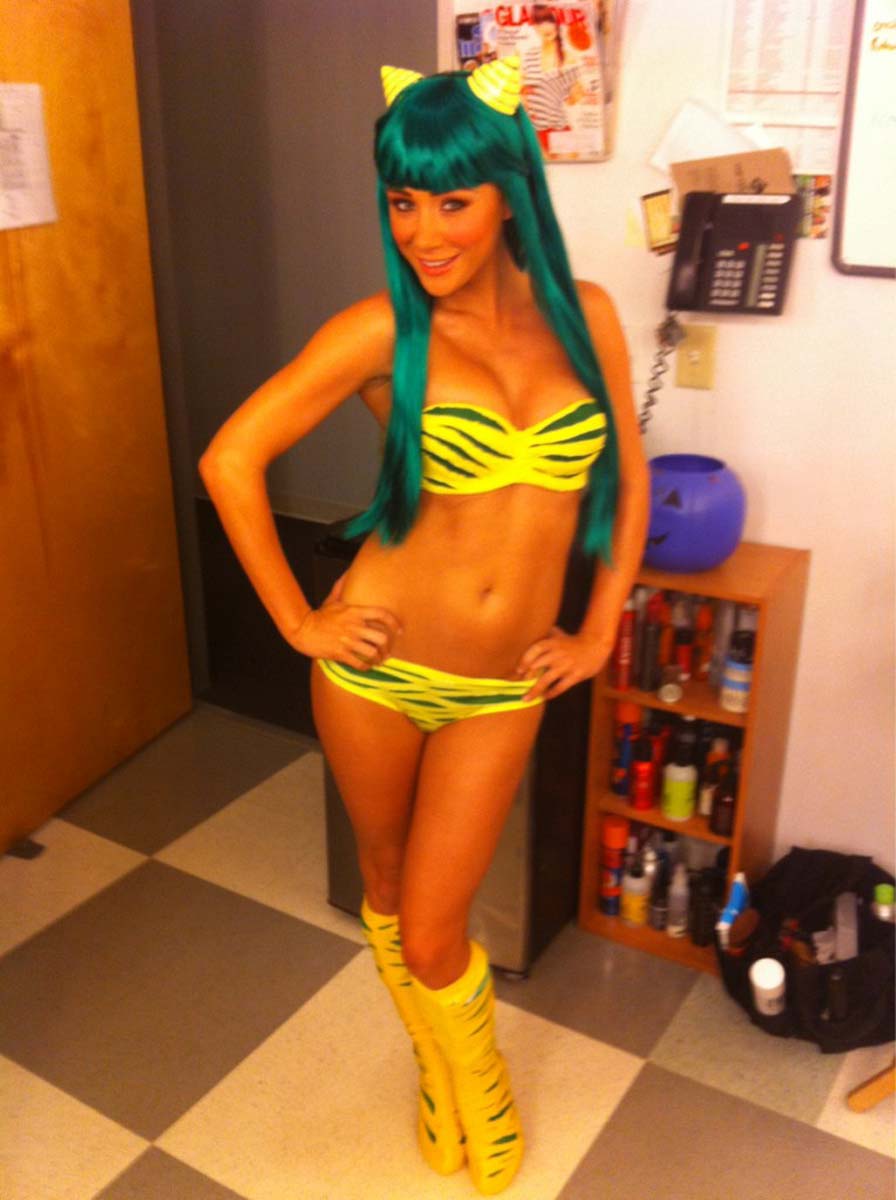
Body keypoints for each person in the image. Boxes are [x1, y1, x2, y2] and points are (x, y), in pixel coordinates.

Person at [200, 56, 648, 1197]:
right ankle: (446, 1074)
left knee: (438, 926)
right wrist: (299, 622)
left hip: (501, 688)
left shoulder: (586, 317)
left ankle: (475, 1077)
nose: (422, 232)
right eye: (401, 202)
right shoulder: (382, 333)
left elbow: (630, 480)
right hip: (376, 669)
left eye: (451, 201)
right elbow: (231, 459)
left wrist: (598, 631)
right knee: (390, 887)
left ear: (508, 193)